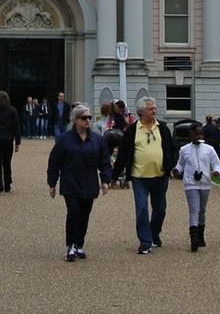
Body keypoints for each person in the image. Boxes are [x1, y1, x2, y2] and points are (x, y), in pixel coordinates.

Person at [112, 95, 176, 255]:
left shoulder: (162, 128)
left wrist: (172, 165)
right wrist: (114, 176)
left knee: (160, 209)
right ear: (142, 112)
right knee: (141, 209)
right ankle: (145, 242)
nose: (154, 110)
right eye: (150, 108)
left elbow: (172, 148)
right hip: (139, 177)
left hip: (160, 176)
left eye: (154, 108)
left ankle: (154, 234)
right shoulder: (133, 130)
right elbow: (123, 154)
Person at [46, 105, 112, 261]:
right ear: (75, 120)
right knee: (74, 213)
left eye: (89, 117)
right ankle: (71, 245)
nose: (88, 120)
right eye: (84, 118)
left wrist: (105, 180)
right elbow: (54, 161)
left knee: (84, 215)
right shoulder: (64, 140)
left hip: (89, 182)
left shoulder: (97, 139)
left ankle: (80, 243)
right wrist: (52, 183)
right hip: (71, 182)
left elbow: (104, 160)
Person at [172, 125, 220, 251]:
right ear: (191, 134)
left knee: (202, 210)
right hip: (191, 183)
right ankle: (193, 238)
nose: (199, 137)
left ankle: (200, 235)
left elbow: (217, 163)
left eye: (201, 135)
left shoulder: (209, 149)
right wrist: (177, 170)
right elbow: (180, 164)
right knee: (194, 210)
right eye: (196, 135)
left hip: (205, 183)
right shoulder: (184, 150)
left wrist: (217, 171)